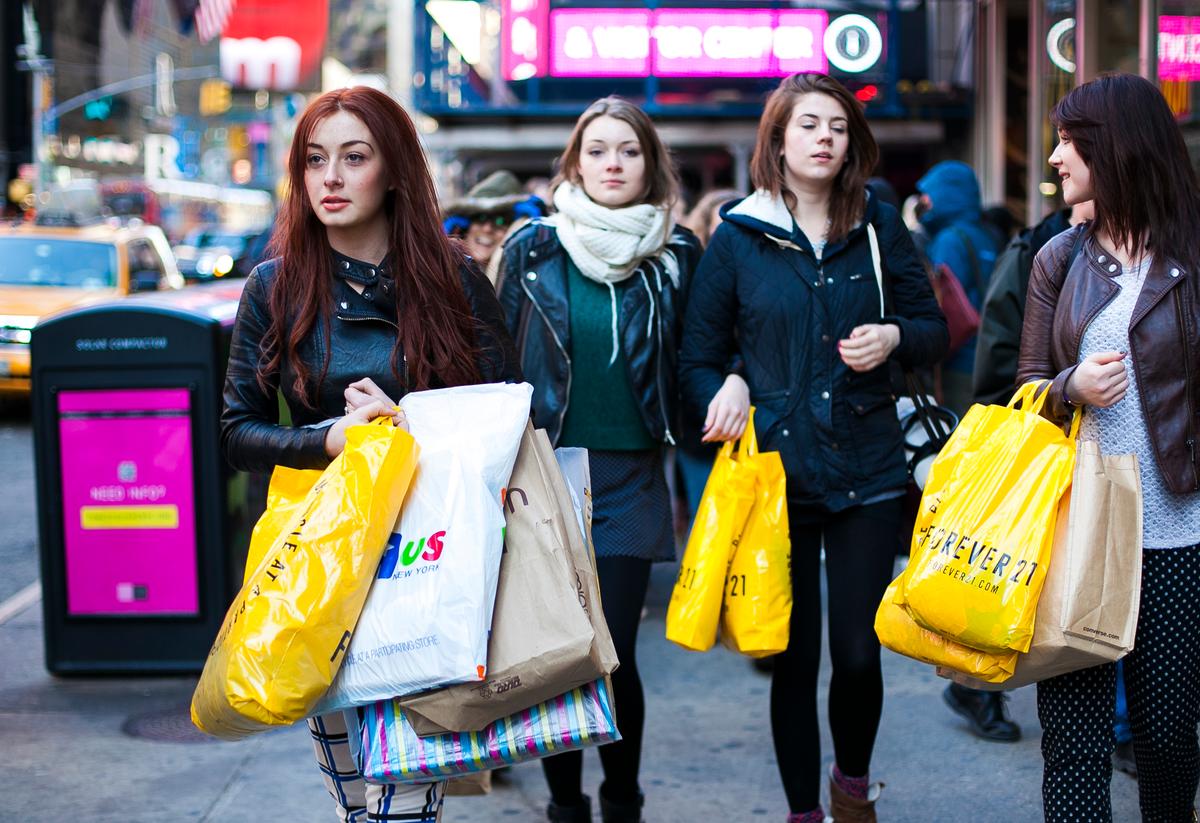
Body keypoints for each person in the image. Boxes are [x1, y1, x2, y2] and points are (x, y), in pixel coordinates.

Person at [220, 86, 521, 823]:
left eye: (353, 158)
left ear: (391, 170)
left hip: (429, 558)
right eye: (315, 160)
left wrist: (409, 424)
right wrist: (329, 437)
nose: (330, 177)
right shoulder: (275, 286)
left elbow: (510, 409)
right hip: (326, 569)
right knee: (357, 802)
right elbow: (235, 431)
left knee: (401, 806)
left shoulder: (451, 276)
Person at [680, 72, 948, 823]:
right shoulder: (738, 237)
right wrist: (726, 384)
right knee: (792, 660)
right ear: (778, 141)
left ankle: (851, 785)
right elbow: (697, 357)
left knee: (860, 654)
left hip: (868, 466)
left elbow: (932, 327)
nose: (825, 137)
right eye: (809, 126)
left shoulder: (878, 224)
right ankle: (804, 812)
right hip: (778, 476)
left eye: (836, 126)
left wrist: (895, 336)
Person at [496, 96, 702, 823]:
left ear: (650, 165)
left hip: (631, 475)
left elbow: (699, 354)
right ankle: (564, 803)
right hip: (546, 475)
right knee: (557, 650)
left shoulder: (676, 255)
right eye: (598, 150)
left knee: (611, 652)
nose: (613, 163)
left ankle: (622, 798)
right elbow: (496, 357)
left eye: (629, 150)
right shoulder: (532, 248)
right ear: (574, 162)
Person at [1017, 73, 1200, 822]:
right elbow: (1025, 388)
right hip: (1079, 532)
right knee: (1075, 741)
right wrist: (1069, 386)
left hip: (1176, 533)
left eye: (1070, 140)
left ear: (1117, 147)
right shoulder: (1057, 259)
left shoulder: (1192, 257)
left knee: (1165, 737)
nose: (1057, 157)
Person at [941, 199, 1094, 746]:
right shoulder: (1037, 250)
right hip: (1035, 440)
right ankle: (976, 686)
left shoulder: (1160, 245)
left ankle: (1116, 721)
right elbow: (1000, 357)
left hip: (1101, 457)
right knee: (1006, 572)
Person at [915, 160, 1002, 415]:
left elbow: (941, 300)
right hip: (990, 355)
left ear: (946, 195)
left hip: (960, 359)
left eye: (927, 194)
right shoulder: (989, 235)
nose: (923, 202)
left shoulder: (949, 240)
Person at [442, 169, 547, 284]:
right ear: (464, 227)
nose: (487, 229)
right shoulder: (442, 276)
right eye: (480, 218)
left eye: (501, 221)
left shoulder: (525, 284)